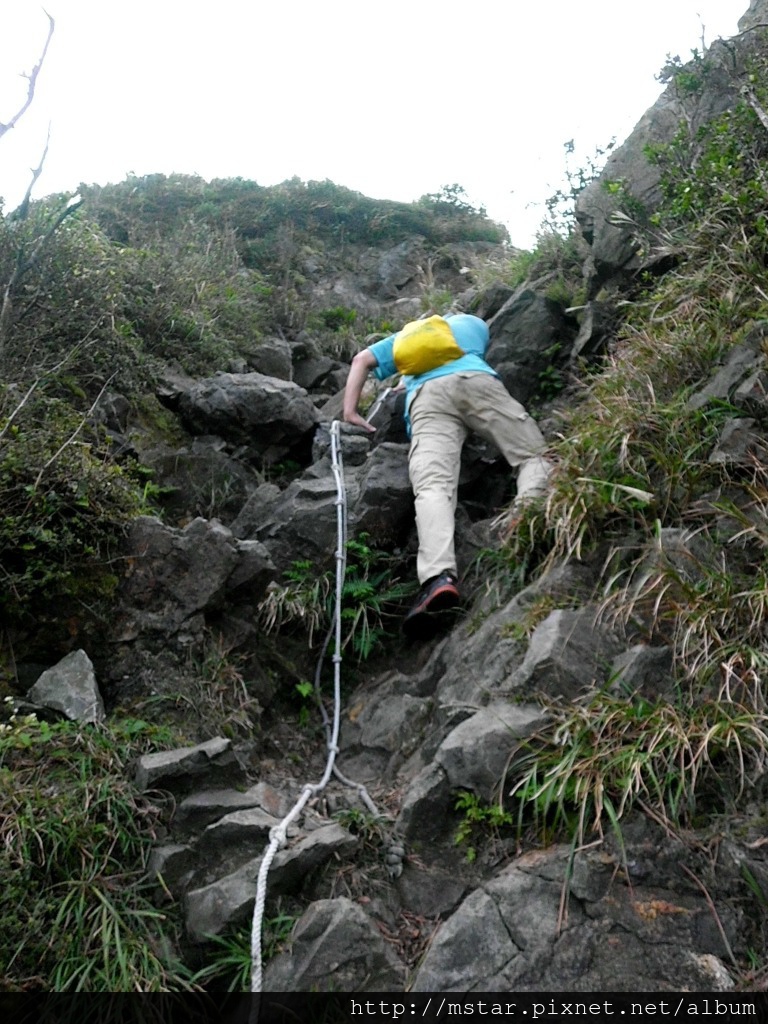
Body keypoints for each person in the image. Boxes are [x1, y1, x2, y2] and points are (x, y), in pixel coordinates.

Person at [343, 312, 551, 637]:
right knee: (531, 456)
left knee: (433, 488)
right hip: (473, 380)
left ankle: (438, 578)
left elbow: (361, 359)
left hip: (426, 399)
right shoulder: (471, 327)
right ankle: (526, 520)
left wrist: (350, 411)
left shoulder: (408, 340)